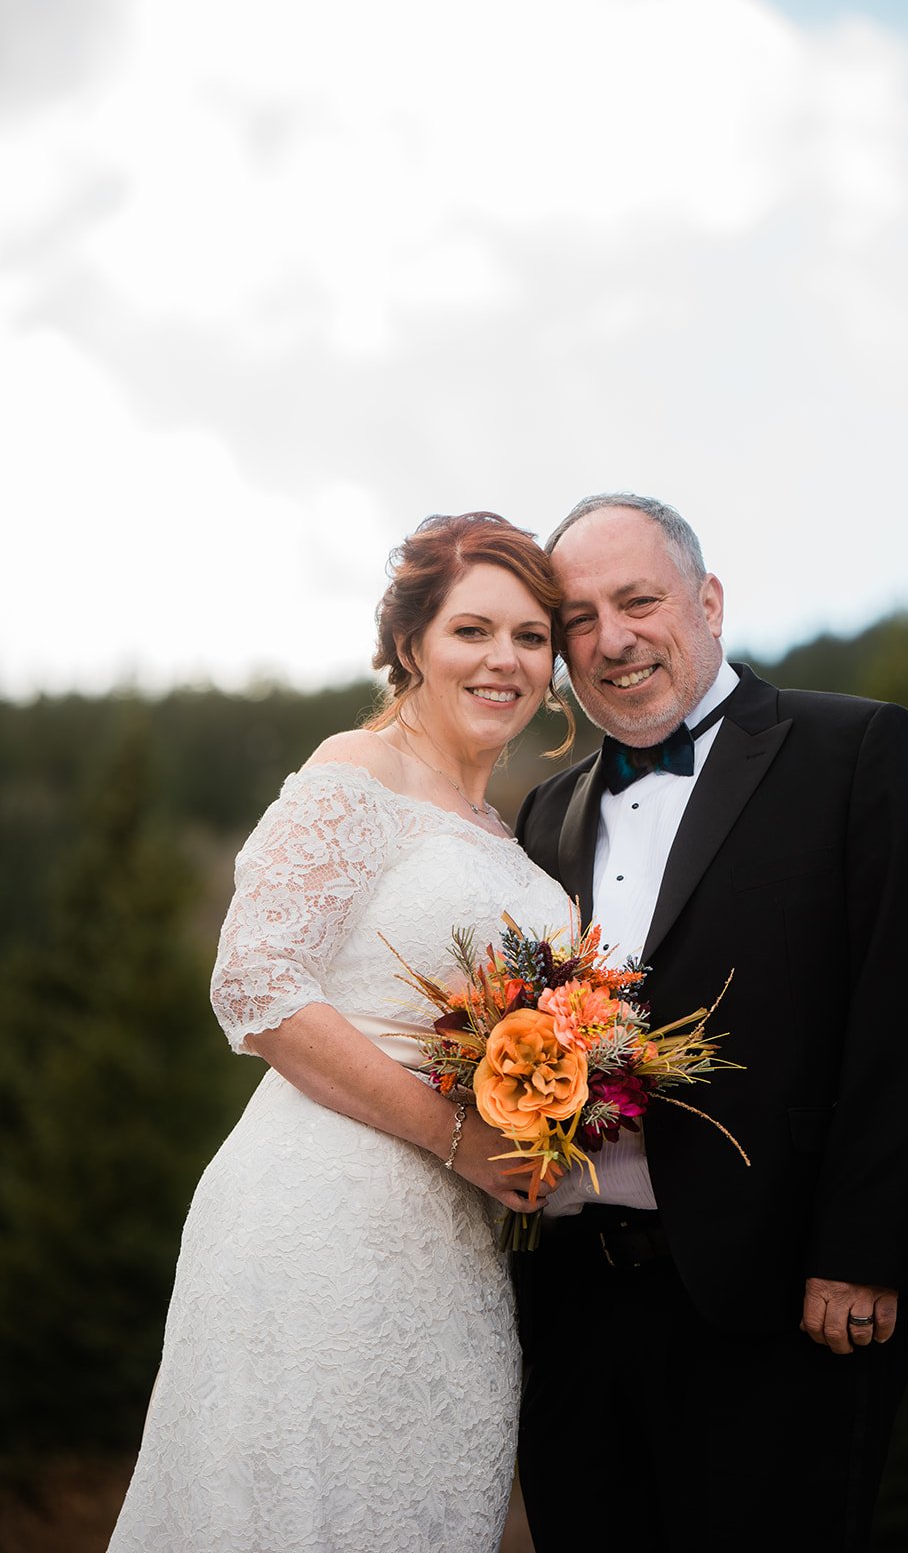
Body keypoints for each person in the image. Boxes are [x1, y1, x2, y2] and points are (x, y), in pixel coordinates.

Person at [514, 493, 908, 1552]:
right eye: (580, 617)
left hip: (785, 1297)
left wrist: (862, 1250)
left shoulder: (856, 748)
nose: (612, 638)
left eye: (640, 600)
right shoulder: (546, 810)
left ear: (709, 600)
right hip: (576, 1304)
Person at [107, 511, 571, 1553]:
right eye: (473, 630)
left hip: (458, 1248)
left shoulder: (509, 833)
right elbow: (256, 982)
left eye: (532, 637)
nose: (506, 659)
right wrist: (460, 1137)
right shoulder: (356, 770)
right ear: (411, 642)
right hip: (317, 1218)